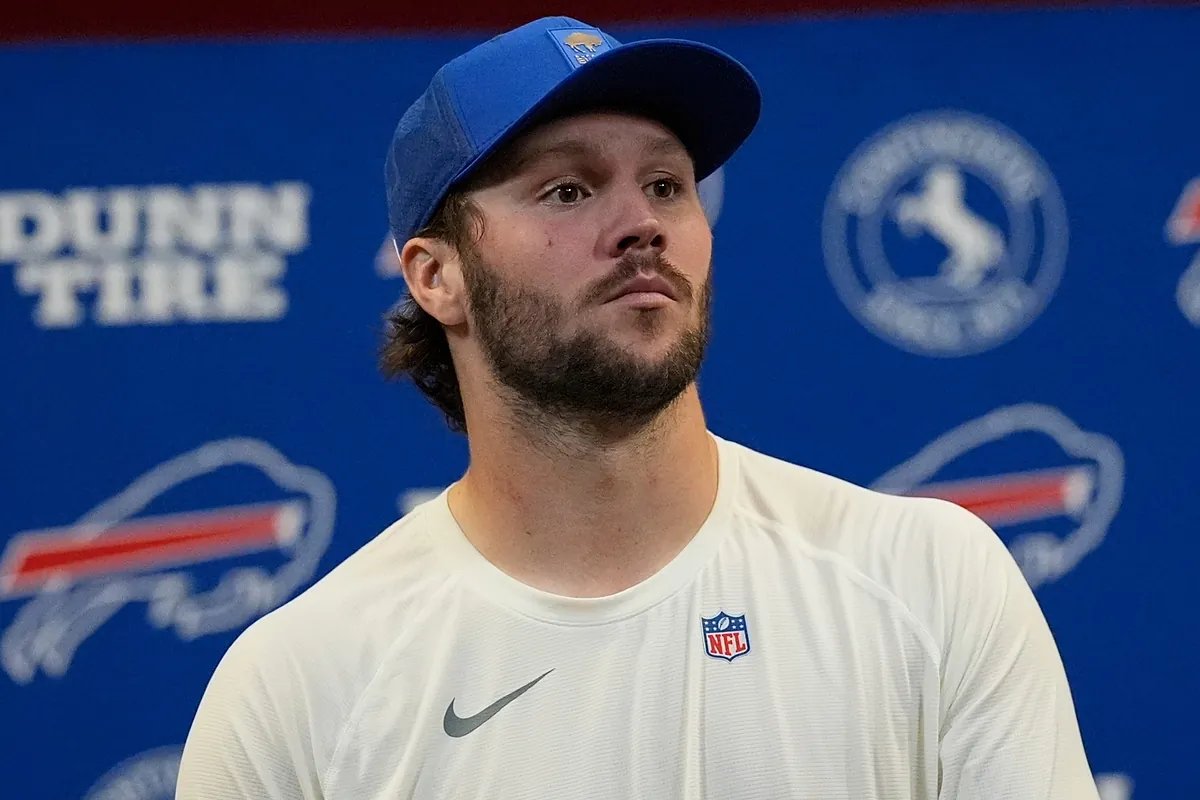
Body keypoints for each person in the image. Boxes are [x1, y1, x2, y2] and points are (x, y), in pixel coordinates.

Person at [176, 15, 1100, 799]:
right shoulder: (297, 686)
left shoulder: (928, 584)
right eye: (568, 189)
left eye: (666, 184)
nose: (643, 223)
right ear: (436, 275)